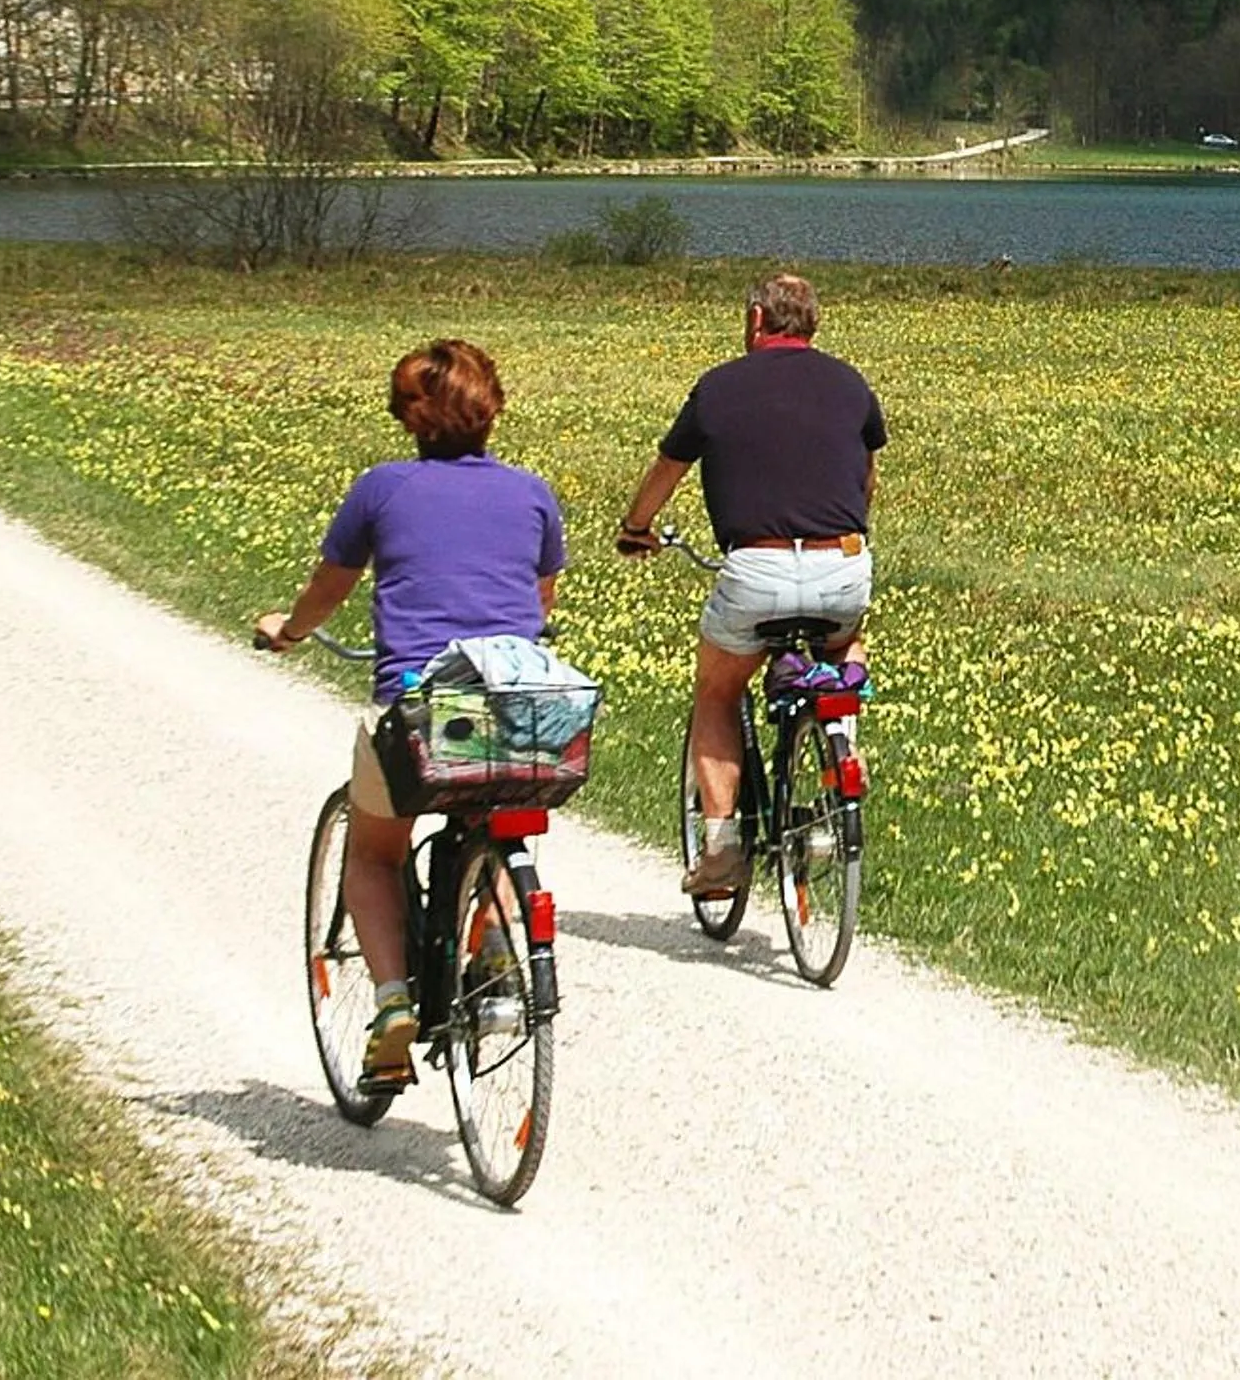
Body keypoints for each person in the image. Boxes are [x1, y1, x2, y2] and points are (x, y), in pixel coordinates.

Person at [255, 338, 565, 1088]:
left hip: (423, 710)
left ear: (410, 420)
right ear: (491, 410)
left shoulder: (382, 490)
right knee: (492, 813)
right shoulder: (532, 493)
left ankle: (392, 1001)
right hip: (520, 709)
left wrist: (289, 630)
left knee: (373, 849)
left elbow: (328, 588)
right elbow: (541, 602)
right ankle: (492, 954)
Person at [614, 273, 885, 897]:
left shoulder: (718, 387)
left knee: (717, 690)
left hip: (756, 568)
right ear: (813, 323)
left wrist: (637, 527)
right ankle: (842, 744)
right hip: (842, 563)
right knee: (844, 643)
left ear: (757, 320)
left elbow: (668, 468)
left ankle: (720, 851)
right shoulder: (851, 384)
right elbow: (866, 478)